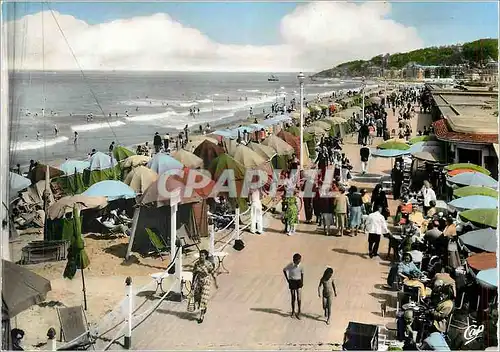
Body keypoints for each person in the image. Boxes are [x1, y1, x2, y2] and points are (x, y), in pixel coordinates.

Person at [192, 249, 218, 323]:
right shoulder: (197, 264)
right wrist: (193, 284)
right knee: (198, 298)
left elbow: (213, 273)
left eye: (203, 255)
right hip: (199, 282)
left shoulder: (208, 264)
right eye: (200, 255)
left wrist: (215, 283)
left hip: (206, 282)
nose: (201, 257)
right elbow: (194, 274)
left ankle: (201, 316)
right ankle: (204, 308)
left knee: (204, 299)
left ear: (205, 256)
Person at [283, 253, 304, 319]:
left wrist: (302, 282)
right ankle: (293, 311)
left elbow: (302, 273)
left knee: (299, 297)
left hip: (298, 281)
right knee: (293, 297)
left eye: (299, 260)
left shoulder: (301, 266)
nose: (299, 262)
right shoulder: (290, 265)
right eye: (298, 260)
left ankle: (299, 311)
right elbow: (284, 270)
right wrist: (287, 280)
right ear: (294, 260)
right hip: (292, 281)